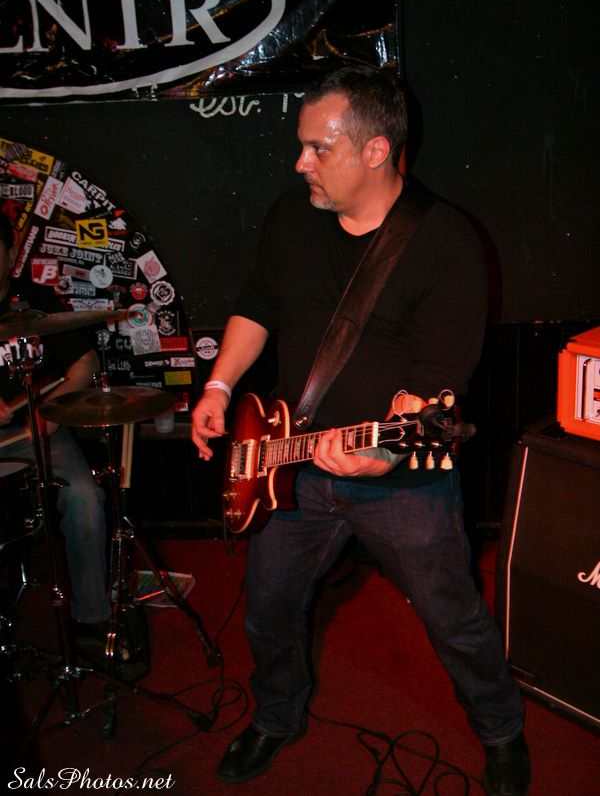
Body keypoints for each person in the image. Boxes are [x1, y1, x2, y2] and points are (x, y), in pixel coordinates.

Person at [191, 64, 530, 795]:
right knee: (268, 607)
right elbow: (258, 303)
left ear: (377, 150)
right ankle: (277, 715)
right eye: (302, 145)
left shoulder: (445, 243)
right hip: (288, 461)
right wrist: (219, 386)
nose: (300, 163)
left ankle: (501, 729)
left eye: (319, 148)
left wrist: (383, 456)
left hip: (399, 482)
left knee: (452, 617)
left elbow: (436, 388)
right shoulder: (292, 215)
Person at [0, 211, 111, 643]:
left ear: (11, 253)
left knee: (85, 497)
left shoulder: (36, 302)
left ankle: (91, 616)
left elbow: (85, 364)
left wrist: (47, 412)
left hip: (38, 435)